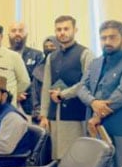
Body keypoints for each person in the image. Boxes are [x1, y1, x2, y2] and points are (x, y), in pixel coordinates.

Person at [39, 16, 92, 159]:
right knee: (56, 156)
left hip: (76, 114)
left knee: (75, 156)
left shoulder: (85, 53)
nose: (62, 32)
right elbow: (46, 87)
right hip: (54, 116)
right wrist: (43, 115)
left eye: (66, 29)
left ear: (75, 30)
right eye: (59, 29)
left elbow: (86, 83)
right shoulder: (52, 57)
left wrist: (64, 94)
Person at [78, 19, 122, 167]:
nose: (107, 41)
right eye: (103, 38)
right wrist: (93, 102)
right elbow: (81, 88)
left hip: (118, 124)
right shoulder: (95, 62)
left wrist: (99, 113)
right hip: (94, 124)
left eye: (112, 37)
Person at [8, 22, 44, 117]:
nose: (17, 33)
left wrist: (21, 93)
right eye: (13, 31)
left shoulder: (37, 55)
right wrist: (14, 95)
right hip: (7, 103)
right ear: (8, 34)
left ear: (26, 34)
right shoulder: (3, 56)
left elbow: (37, 81)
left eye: (20, 31)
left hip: (30, 105)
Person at [31, 36, 61, 124]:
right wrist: (39, 112)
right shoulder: (38, 69)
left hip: (62, 113)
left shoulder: (65, 67)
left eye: (52, 46)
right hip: (41, 115)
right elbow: (34, 93)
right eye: (46, 47)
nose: (49, 49)